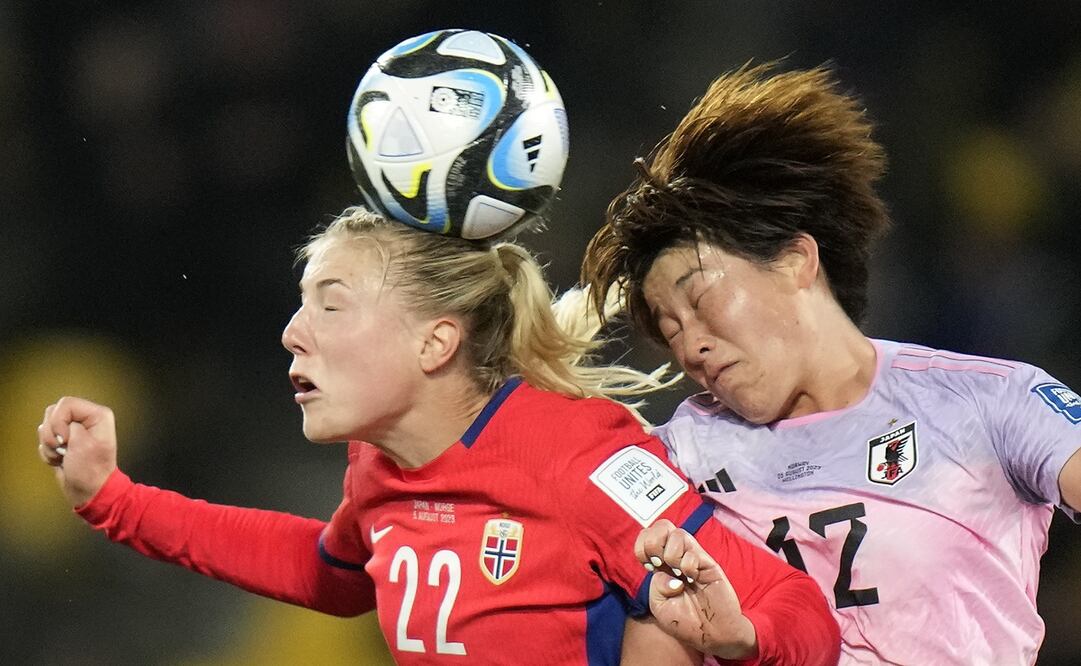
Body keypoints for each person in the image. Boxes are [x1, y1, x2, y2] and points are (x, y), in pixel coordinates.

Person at [37, 206, 840, 665]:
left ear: (435, 342)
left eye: (330, 303)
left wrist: (743, 639)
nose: (290, 332)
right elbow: (333, 573)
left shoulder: (576, 456)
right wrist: (114, 500)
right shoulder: (379, 467)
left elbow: (795, 605)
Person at [580, 62, 1081, 664]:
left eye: (700, 298)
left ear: (796, 261)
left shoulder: (989, 404)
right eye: (670, 329)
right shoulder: (677, 456)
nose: (691, 347)